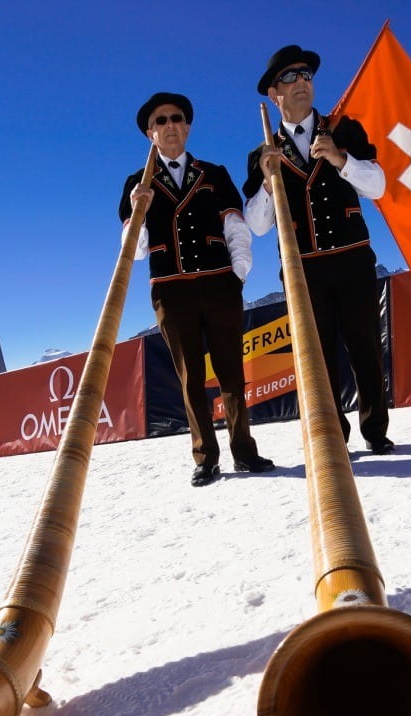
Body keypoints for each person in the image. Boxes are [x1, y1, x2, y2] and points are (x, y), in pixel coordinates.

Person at [244, 46, 394, 455]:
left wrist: (340, 159)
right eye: (290, 77)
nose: (302, 82)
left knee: (366, 349)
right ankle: (333, 440)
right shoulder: (262, 153)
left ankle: (376, 432)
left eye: (306, 73)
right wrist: (266, 182)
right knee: (318, 360)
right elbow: (257, 225)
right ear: (275, 93)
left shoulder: (344, 129)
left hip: (352, 259)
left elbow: (379, 185)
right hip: (302, 272)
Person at [119, 92, 274, 486]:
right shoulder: (136, 184)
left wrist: (238, 274)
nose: (170, 125)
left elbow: (236, 227)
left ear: (187, 127)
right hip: (171, 293)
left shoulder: (214, 173)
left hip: (219, 285)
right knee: (189, 377)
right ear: (149, 133)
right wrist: (138, 210)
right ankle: (205, 457)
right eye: (161, 120)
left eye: (177, 118)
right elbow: (133, 253)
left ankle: (244, 451)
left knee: (231, 373)